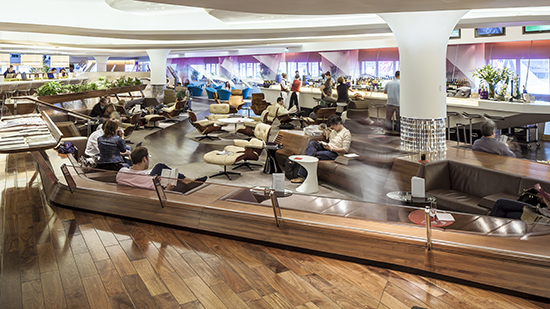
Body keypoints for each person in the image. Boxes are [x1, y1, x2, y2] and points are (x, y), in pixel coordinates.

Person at [116, 146, 207, 193]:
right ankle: (187, 181)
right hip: (148, 189)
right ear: (144, 159)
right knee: (175, 182)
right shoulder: (150, 180)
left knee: (159, 166)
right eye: (148, 158)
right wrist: (168, 188)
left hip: (140, 184)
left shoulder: (121, 172)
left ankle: (188, 180)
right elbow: (160, 196)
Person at [292, 114, 351, 183]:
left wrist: (331, 149)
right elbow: (329, 138)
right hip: (328, 148)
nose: (332, 127)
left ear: (338, 123)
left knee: (313, 154)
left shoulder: (346, 133)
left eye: (333, 125)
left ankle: (302, 176)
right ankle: (304, 175)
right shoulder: (334, 131)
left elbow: (345, 150)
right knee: (312, 143)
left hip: (335, 153)